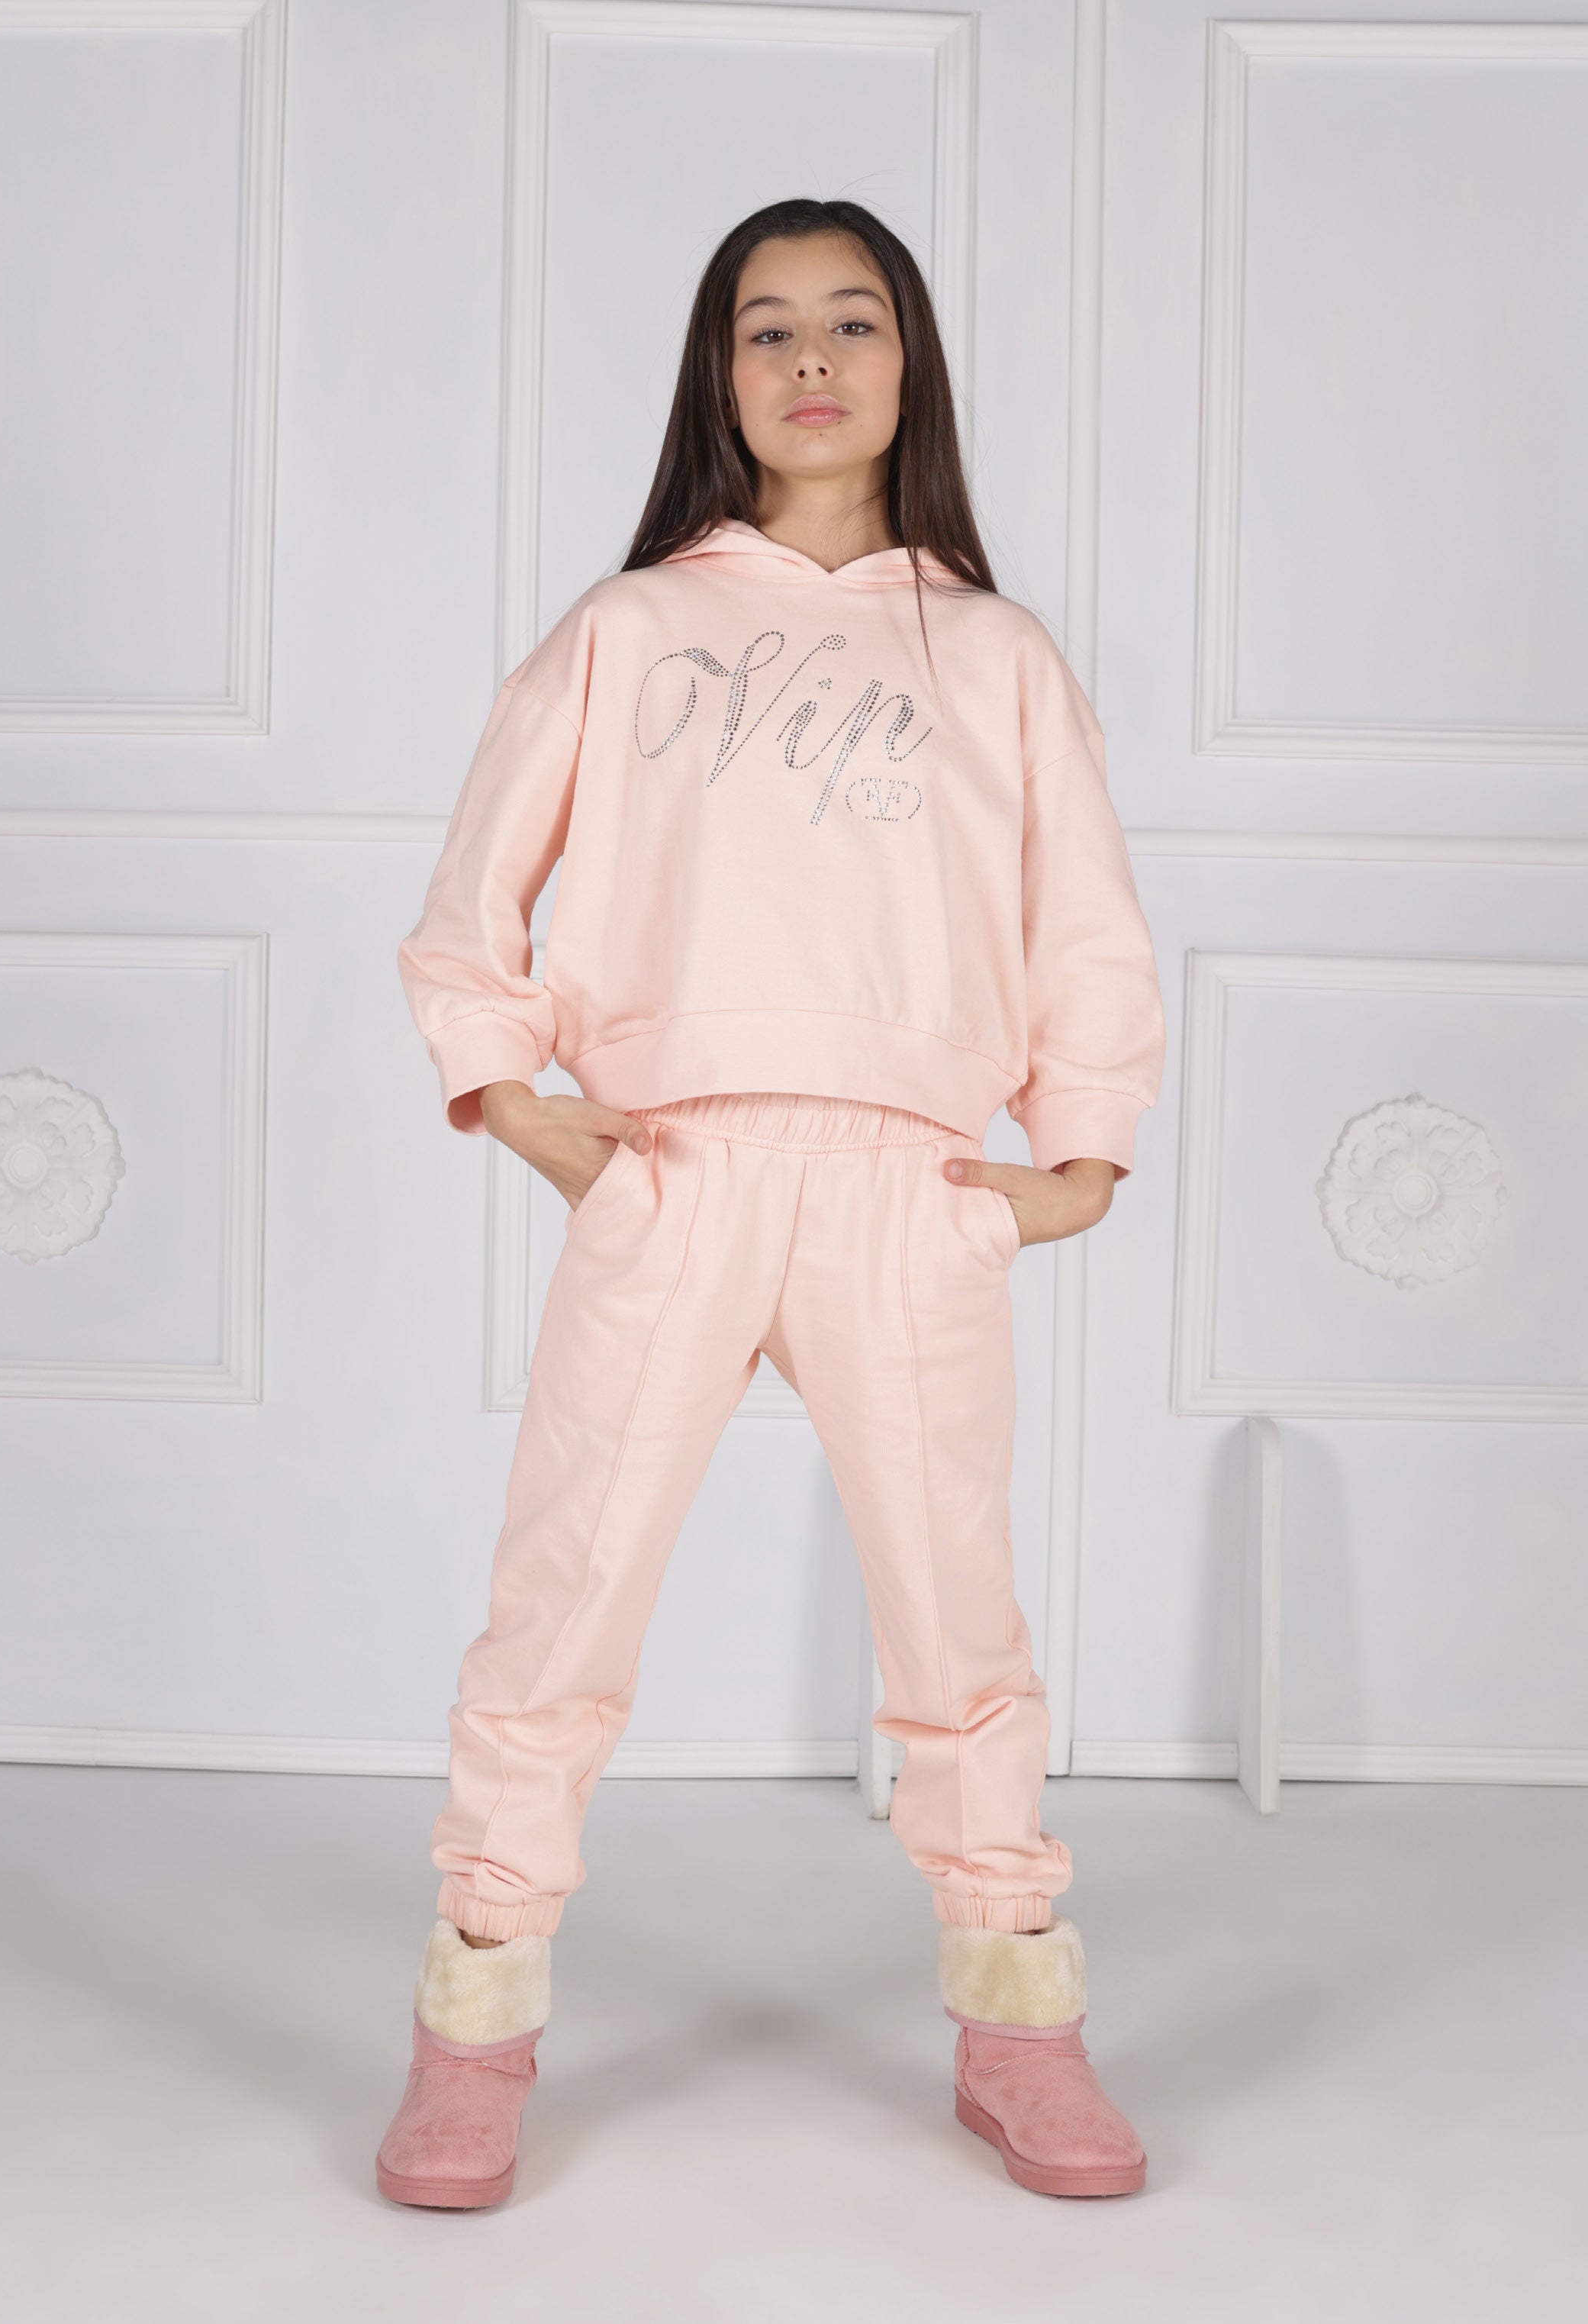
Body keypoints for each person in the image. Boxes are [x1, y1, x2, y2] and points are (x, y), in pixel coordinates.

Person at [375, 197, 1165, 2210]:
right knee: (562, 1604)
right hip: (676, 1168)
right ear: (717, 378)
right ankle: (475, 2022)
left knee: (959, 1625)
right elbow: (477, 885)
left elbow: (1084, 918)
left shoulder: (993, 652)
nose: (813, 359)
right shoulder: (633, 626)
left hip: (906, 1184)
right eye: (767, 328)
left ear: (912, 364)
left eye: (855, 321)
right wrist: (516, 1098)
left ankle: (1019, 2022)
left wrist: (1077, 1159)